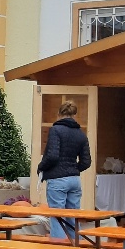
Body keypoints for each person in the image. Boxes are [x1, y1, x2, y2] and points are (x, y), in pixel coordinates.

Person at [37, 101, 91, 241]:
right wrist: (73, 169)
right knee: (73, 218)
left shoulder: (56, 130)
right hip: (74, 180)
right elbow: (86, 162)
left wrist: (41, 167)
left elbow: (52, 156)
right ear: (75, 115)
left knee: (57, 219)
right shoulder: (81, 135)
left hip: (58, 180)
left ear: (59, 114)